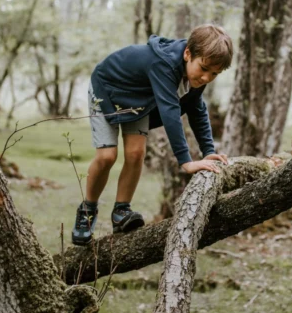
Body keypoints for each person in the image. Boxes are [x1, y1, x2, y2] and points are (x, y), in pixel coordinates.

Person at [72, 24, 232, 245]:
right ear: (188, 54)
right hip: (107, 88)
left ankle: (121, 212)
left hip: (139, 99)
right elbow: (170, 111)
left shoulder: (196, 73)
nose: (206, 77)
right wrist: (185, 162)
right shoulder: (164, 64)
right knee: (107, 156)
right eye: (204, 69)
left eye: (214, 73)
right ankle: (87, 211)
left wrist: (208, 152)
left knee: (136, 153)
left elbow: (197, 109)